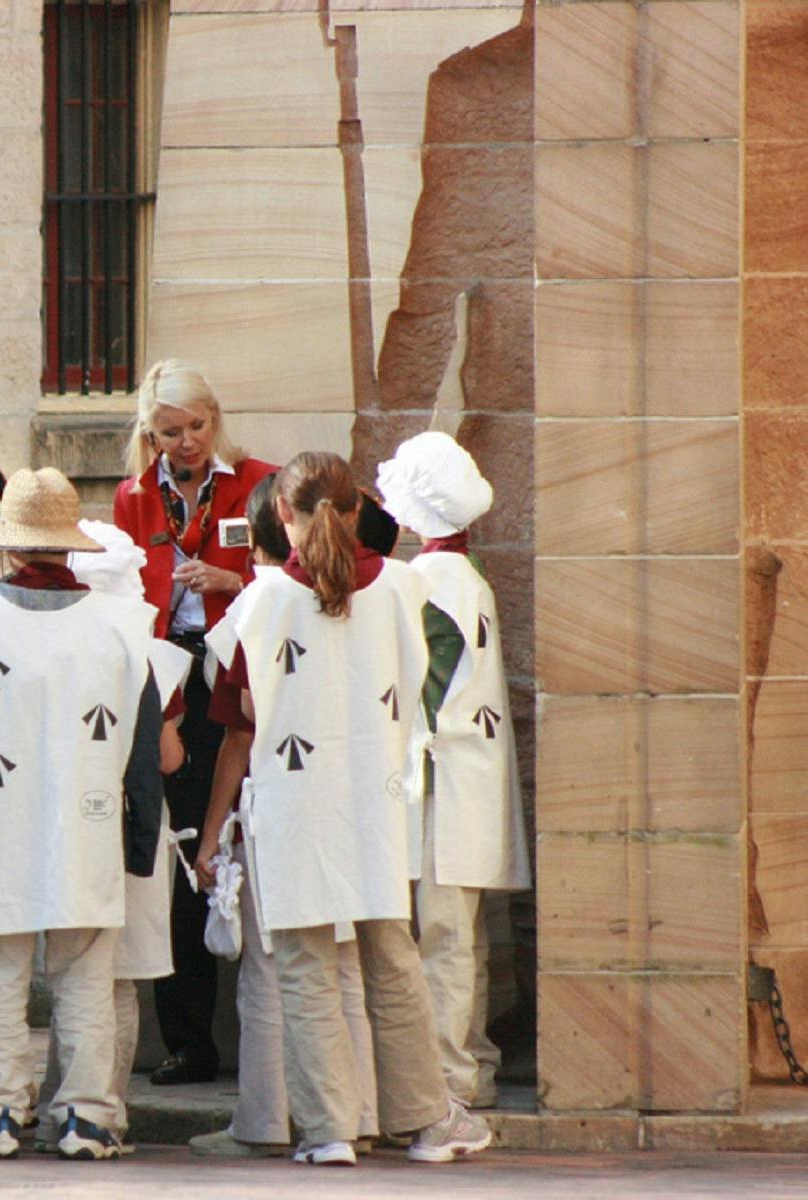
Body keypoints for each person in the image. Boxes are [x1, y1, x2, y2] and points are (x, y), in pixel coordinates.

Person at [204, 451, 491, 1167]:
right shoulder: (400, 586)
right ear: (356, 508)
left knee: (303, 969)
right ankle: (424, 1123)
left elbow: (241, 712)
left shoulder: (260, 602)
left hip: (293, 800)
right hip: (374, 792)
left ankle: (327, 1129)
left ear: (280, 514)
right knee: (391, 962)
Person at [0, 467, 165, 1162]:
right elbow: (140, 750)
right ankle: (87, 1117)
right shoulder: (123, 628)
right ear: (68, 546)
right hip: (87, 823)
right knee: (85, 977)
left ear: (9, 545)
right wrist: (137, 840)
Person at [189, 473, 380, 1159]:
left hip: (288, 805)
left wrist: (210, 835)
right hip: (361, 803)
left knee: (274, 972)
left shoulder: (258, 606)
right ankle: (357, 1110)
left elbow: (239, 731)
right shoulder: (383, 590)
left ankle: (269, 1119)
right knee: (349, 964)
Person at [112, 359, 273, 1085]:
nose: (186, 443)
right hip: (168, 677)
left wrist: (233, 580)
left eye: (197, 426)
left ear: (216, 417)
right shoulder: (133, 498)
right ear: (148, 434)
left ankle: (261, 1037)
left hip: (235, 670)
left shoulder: (256, 482)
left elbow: (300, 576)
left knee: (235, 838)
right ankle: (186, 1039)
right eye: (170, 432)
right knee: (180, 849)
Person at [377, 432, 530, 1110]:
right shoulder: (461, 576)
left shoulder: (428, 581)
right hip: (462, 775)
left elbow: (422, 691)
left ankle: (446, 1079)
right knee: (461, 935)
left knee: (442, 936)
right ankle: (470, 1065)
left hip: (441, 780)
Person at [33, 519, 193, 1152]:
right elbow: (170, 757)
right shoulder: (145, 647)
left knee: (74, 978)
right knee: (114, 982)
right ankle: (104, 1110)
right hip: (133, 822)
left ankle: (57, 1109)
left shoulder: (55, 635)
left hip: (71, 819)